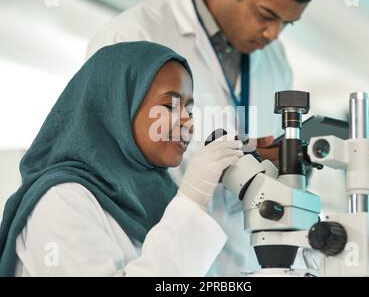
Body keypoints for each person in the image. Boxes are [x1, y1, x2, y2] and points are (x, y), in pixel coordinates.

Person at [87, 0, 318, 275]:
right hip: (158, 259)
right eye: (266, 15)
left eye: (288, 24)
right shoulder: (133, 34)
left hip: (246, 263)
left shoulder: (276, 62)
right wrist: (211, 162)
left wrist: (285, 162)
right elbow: (105, 160)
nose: (273, 34)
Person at [0, 41, 244, 276]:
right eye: (169, 106)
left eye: (189, 110)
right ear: (116, 106)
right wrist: (192, 202)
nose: (187, 121)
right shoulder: (60, 200)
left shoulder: (160, 196)